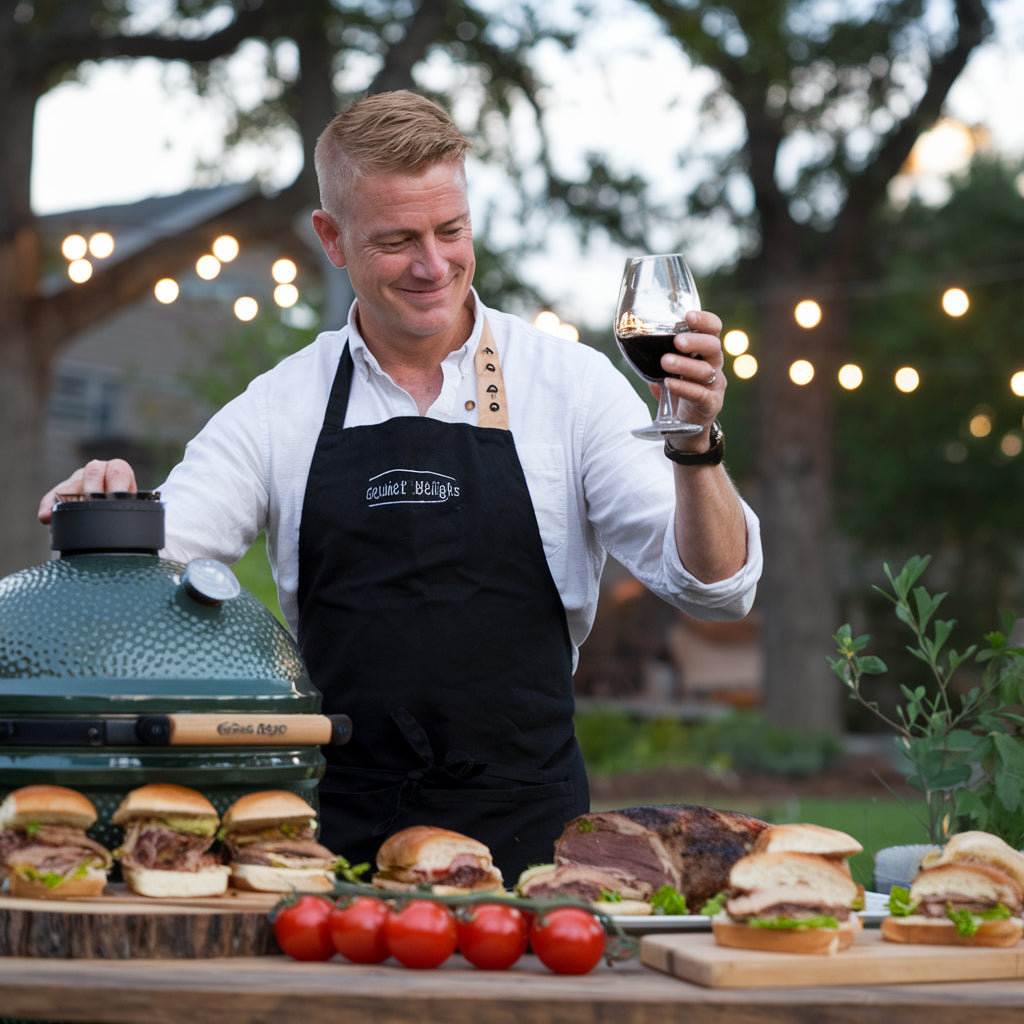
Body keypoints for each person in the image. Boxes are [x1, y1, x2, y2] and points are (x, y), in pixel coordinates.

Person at [38, 90, 762, 883]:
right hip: (335, 842)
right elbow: (160, 563)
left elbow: (719, 588)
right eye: (397, 240)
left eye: (451, 231)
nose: (432, 265)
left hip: (533, 843)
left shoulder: (571, 386)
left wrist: (696, 448)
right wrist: (106, 518)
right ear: (332, 238)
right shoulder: (281, 405)